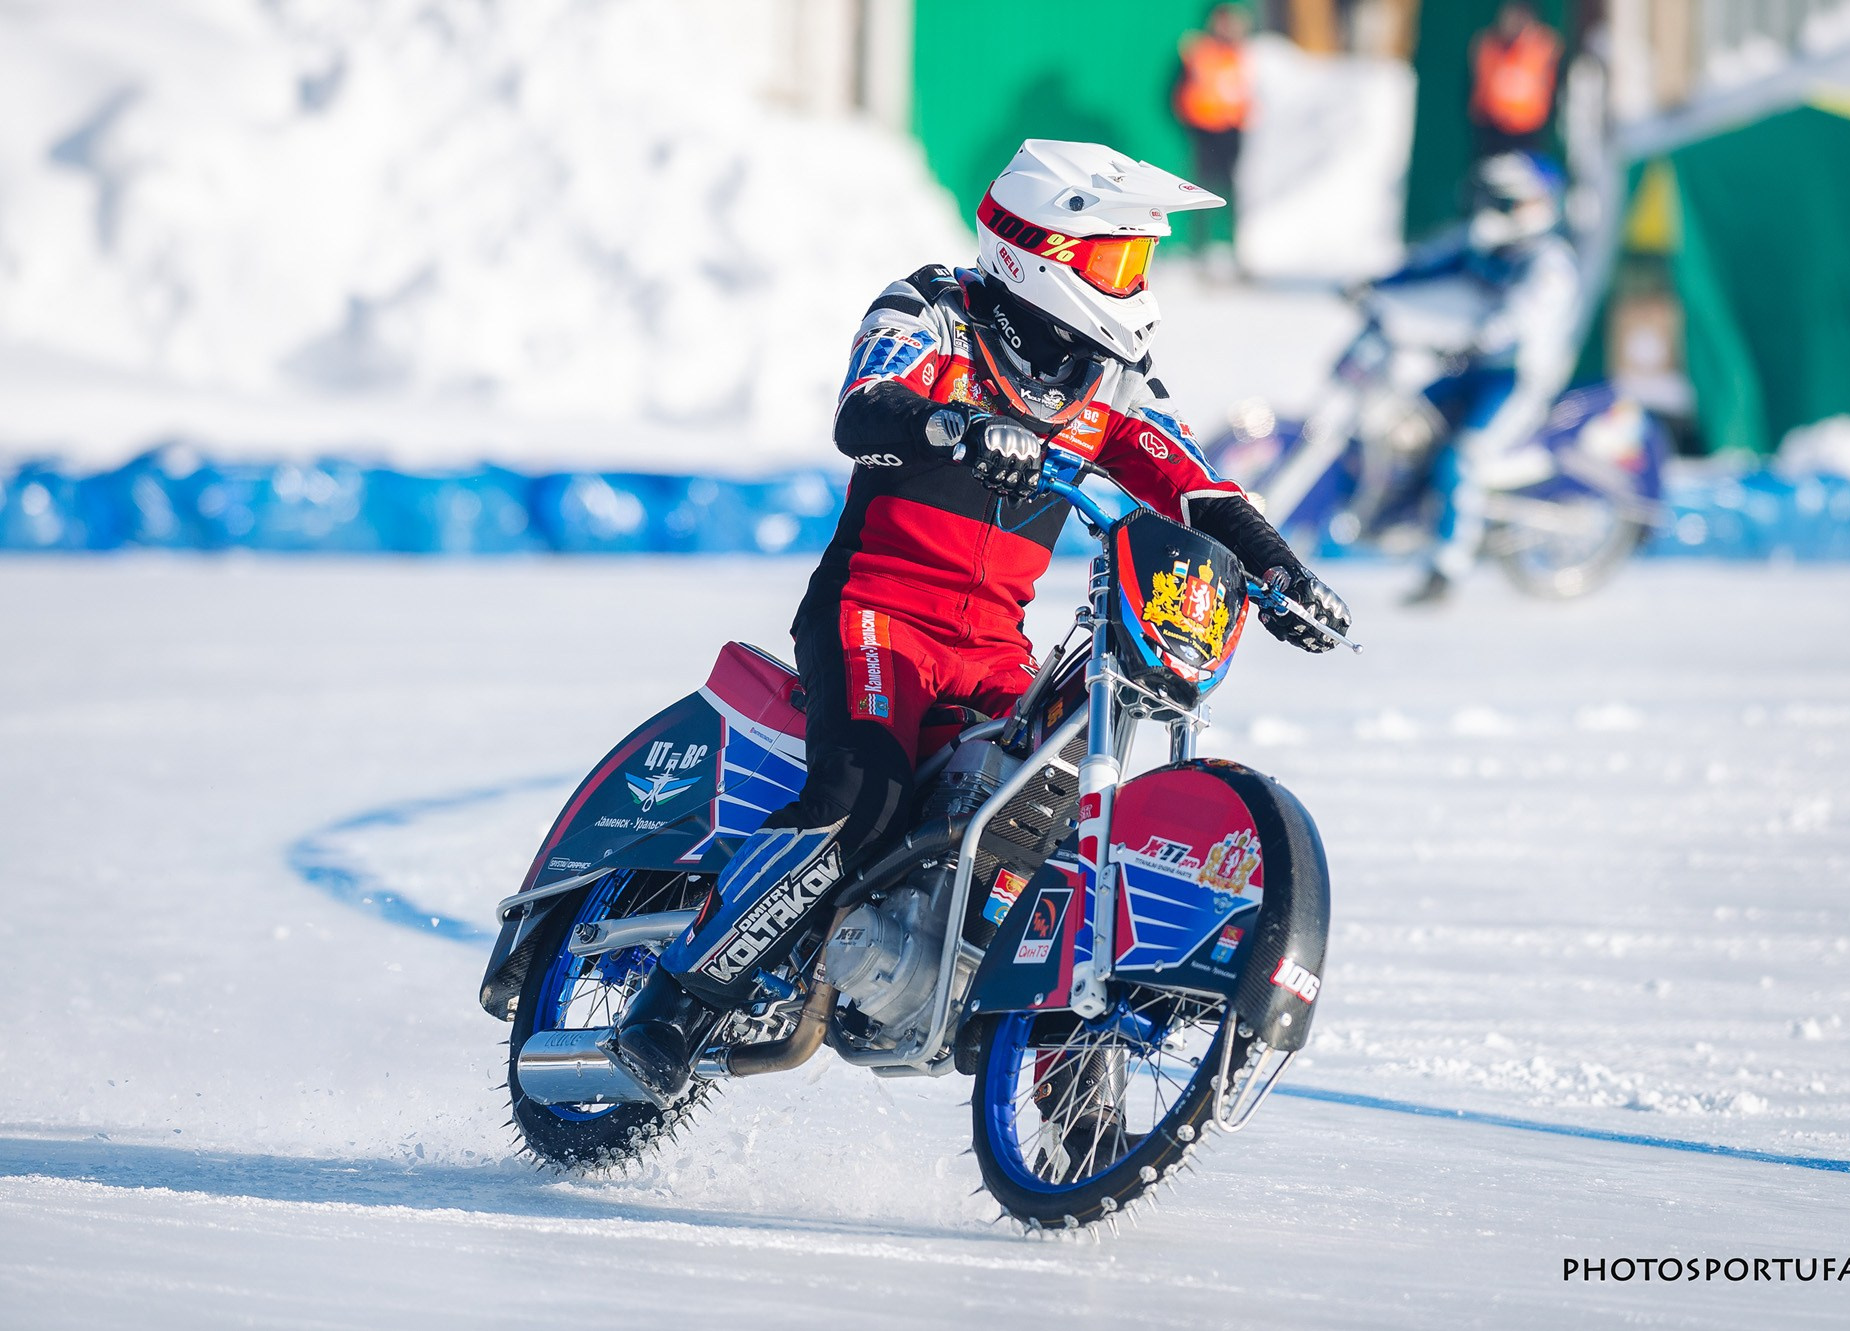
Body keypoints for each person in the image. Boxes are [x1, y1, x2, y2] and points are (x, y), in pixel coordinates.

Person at [606, 140, 1353, 1101]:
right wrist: (953, 424)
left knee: (1050, 812)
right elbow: (865, 408)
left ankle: (1063, 1080)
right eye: (1117, 258)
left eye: (1138, 260)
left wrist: (1281, 572)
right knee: (859, 801)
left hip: (993, 646)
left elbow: (1196, 487)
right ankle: (676, 998)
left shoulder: (1112, 378)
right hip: (876, 614)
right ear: (1040, 248)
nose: (1133, 282)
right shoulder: (933, 310)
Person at [1392, 151, 1580, 605]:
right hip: (1473, 368)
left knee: (1461, 459)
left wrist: (1480, 339)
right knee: (1405, 418)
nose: (1486, 214)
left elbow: (1523, 317)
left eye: (1500, 203)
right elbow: (1428, 263)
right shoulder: (1488, 247)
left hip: (1518, 379)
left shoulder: (1549, 263)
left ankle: (1447, 567)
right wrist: (1376, 284)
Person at [1171, 3, 1253, 265]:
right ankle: (1199, 248)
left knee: (1231, 190)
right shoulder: (1199, 51)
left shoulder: (1241, 54)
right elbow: (1178, 91)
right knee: (1201, 189)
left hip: (1231, 131)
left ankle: (1230, 246)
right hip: (1204, 130)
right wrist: (1191, 121)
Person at [1469, 1, 1563, 158]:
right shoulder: (1488, 45)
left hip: (1530, 138)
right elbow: (1478, 98)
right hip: (1492, 136)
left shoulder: (1544, 47)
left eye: (1521, 16)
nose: (1514, 22)